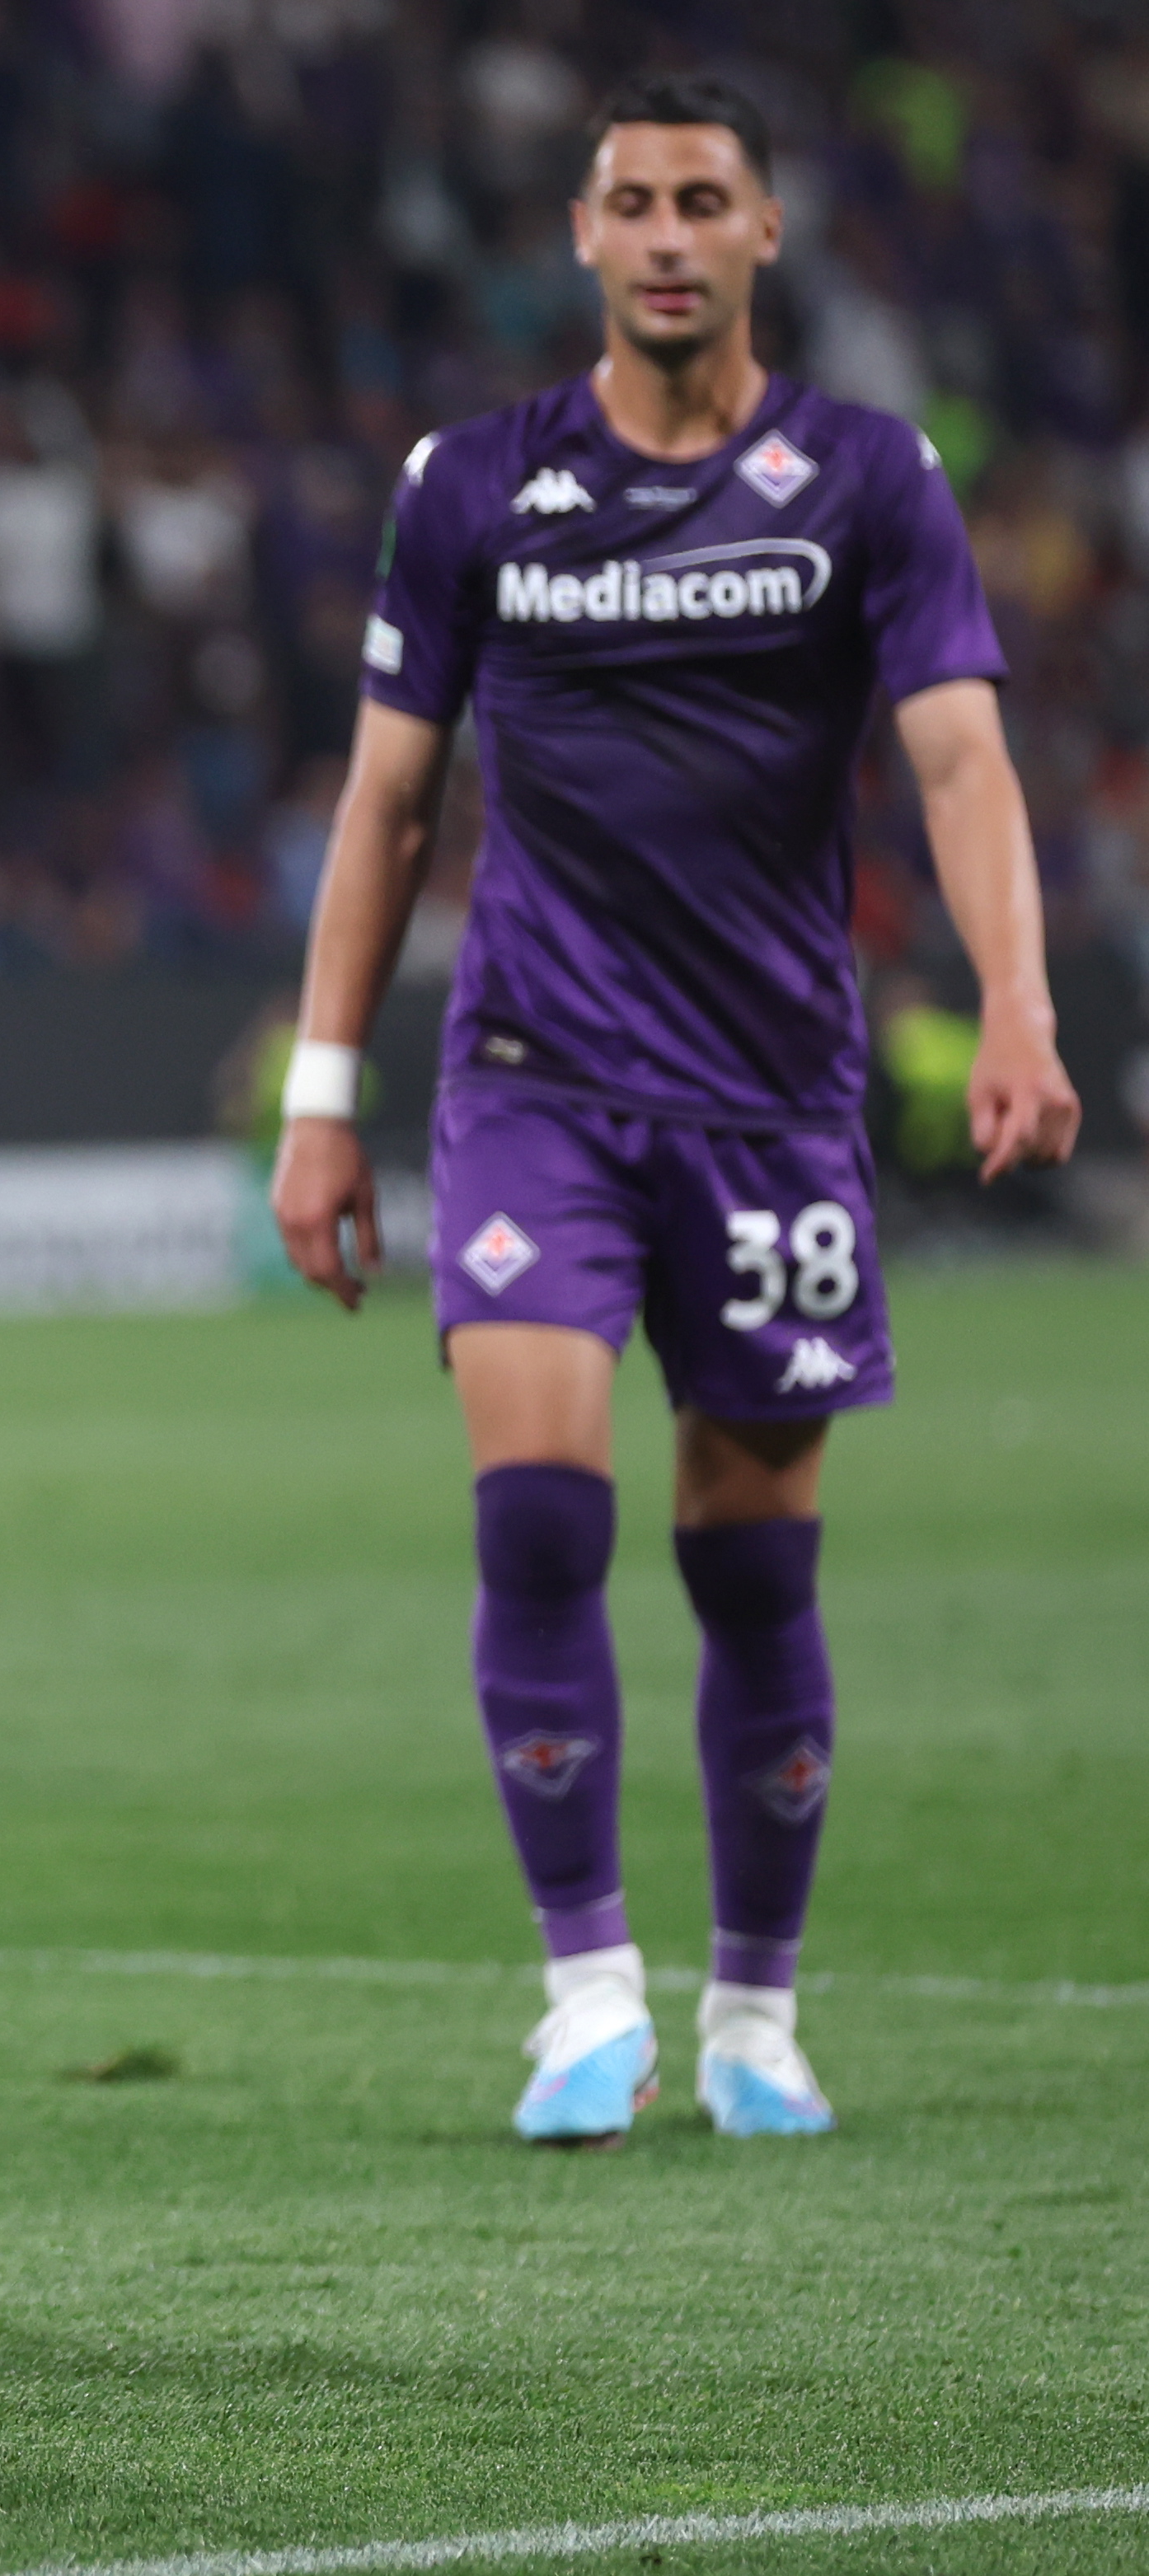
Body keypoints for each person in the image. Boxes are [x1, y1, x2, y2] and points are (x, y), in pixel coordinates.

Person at [270, 74, 1082, 2147]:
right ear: (578, 234)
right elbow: (385, 802)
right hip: (537, 1076)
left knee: (756, 1574)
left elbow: (966, 768)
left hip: (776, 1100)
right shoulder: (476, 485)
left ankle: (757, 2012)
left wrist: (1017, 1002)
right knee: (540, 1512)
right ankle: (582, 1992)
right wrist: (323, 1095)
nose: (662, 235)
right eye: (628, 200)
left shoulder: (870, 481)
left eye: (701, 200)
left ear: (764, 236)